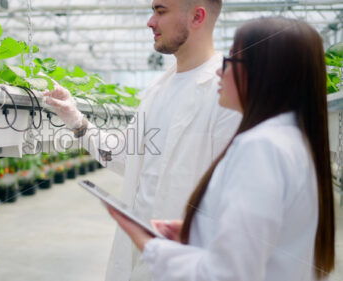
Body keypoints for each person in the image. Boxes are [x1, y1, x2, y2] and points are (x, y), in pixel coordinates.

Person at [108, 17, 336, 281]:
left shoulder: (261, 148)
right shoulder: (290, 140)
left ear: (263, 73)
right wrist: (197, 231)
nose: (219, 71)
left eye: (230, 61)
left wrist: (151, 245)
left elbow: (229, 273)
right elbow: (258, 237)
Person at [43, 0, 241, 280]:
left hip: (191, 263)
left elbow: (237, 200)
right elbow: (122, 156)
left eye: (160, 11)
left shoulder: (227, 91)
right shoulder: (157, 90)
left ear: (197, 17)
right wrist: (75, 119)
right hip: (141, 255)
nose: (150, 22)